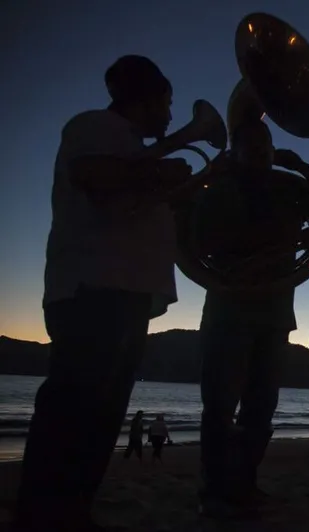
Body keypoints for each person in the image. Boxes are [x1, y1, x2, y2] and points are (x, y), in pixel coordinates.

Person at [14, 55, 196, 532]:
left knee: (101, 416)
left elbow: (136, 205)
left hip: (124, 294)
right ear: (149, 97)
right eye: (168, 103)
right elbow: (95, 178)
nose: (171, 116)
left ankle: (71, 512)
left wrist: (174, 186)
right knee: (74, 411)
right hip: (94, 288)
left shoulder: (130, 145)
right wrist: (168, 167)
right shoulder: (96, 126)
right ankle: (41, 515)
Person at [196, 115, 309, 518]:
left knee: (261, 407)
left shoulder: (289, 185)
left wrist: (300, 165)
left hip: (275, 313)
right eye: (248, 145)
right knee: (219, 406)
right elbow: (196, 237)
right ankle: (214, 490)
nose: (258, 151)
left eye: (263, 143)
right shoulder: (219, 187)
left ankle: (245, 483)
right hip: (227, 308)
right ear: (234, 150)